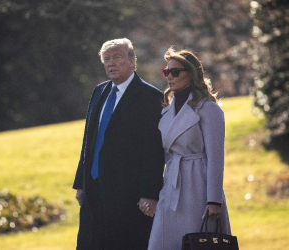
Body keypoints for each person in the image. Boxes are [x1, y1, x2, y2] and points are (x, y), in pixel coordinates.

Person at [72, 38, 165, 250]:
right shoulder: (99, 92)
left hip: (128, 197)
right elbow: (89, 140)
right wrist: (81, 183)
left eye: (117, 57)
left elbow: (154, 150)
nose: (110, 63)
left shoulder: (150, 97)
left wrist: (149, 194)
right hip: (93, 191)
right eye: (106, 59)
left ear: (132, 61)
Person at [145, 47, 231, 250]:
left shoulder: (209, 109)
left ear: (191, 75)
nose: (169, 77)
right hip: (171, 188)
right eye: (167, 72)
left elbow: (216, 158)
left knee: (197, 243)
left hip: (198, 189)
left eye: (175, 72)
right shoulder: (166, 111)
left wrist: (214, 200)